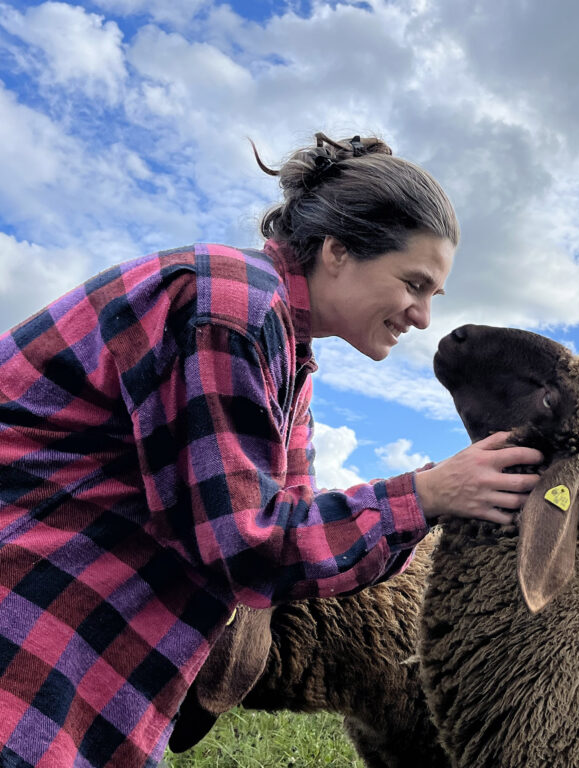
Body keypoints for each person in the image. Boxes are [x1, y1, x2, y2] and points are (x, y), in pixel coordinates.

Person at [0, 132, 544, 768]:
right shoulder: (230, 309)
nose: (423, 316)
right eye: (414, 283)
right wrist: (428, 494)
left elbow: (295, 537)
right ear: (338, 252)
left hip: (70, 659)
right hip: (26, 629)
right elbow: (246, 543)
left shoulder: (290, 361)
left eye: (434, 296)